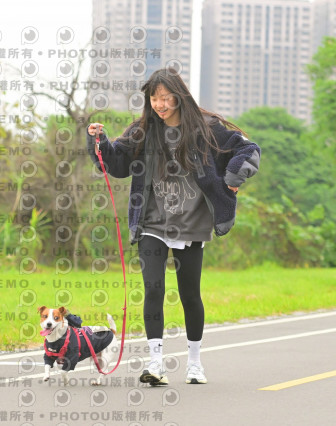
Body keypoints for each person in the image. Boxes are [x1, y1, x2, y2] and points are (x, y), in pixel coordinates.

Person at [86, 68, 260, 386]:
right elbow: (118, 163)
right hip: (152, 222)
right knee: (153, 289)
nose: (160, 104)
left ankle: (194, 363)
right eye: (155, 98)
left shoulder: (206, 128)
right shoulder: (143, 131)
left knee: (189, 295)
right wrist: (98, 141)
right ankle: (156, 363)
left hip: (192, 222)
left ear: (179, 96)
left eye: (166, 98)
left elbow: (247, 149)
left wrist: (234, 178)